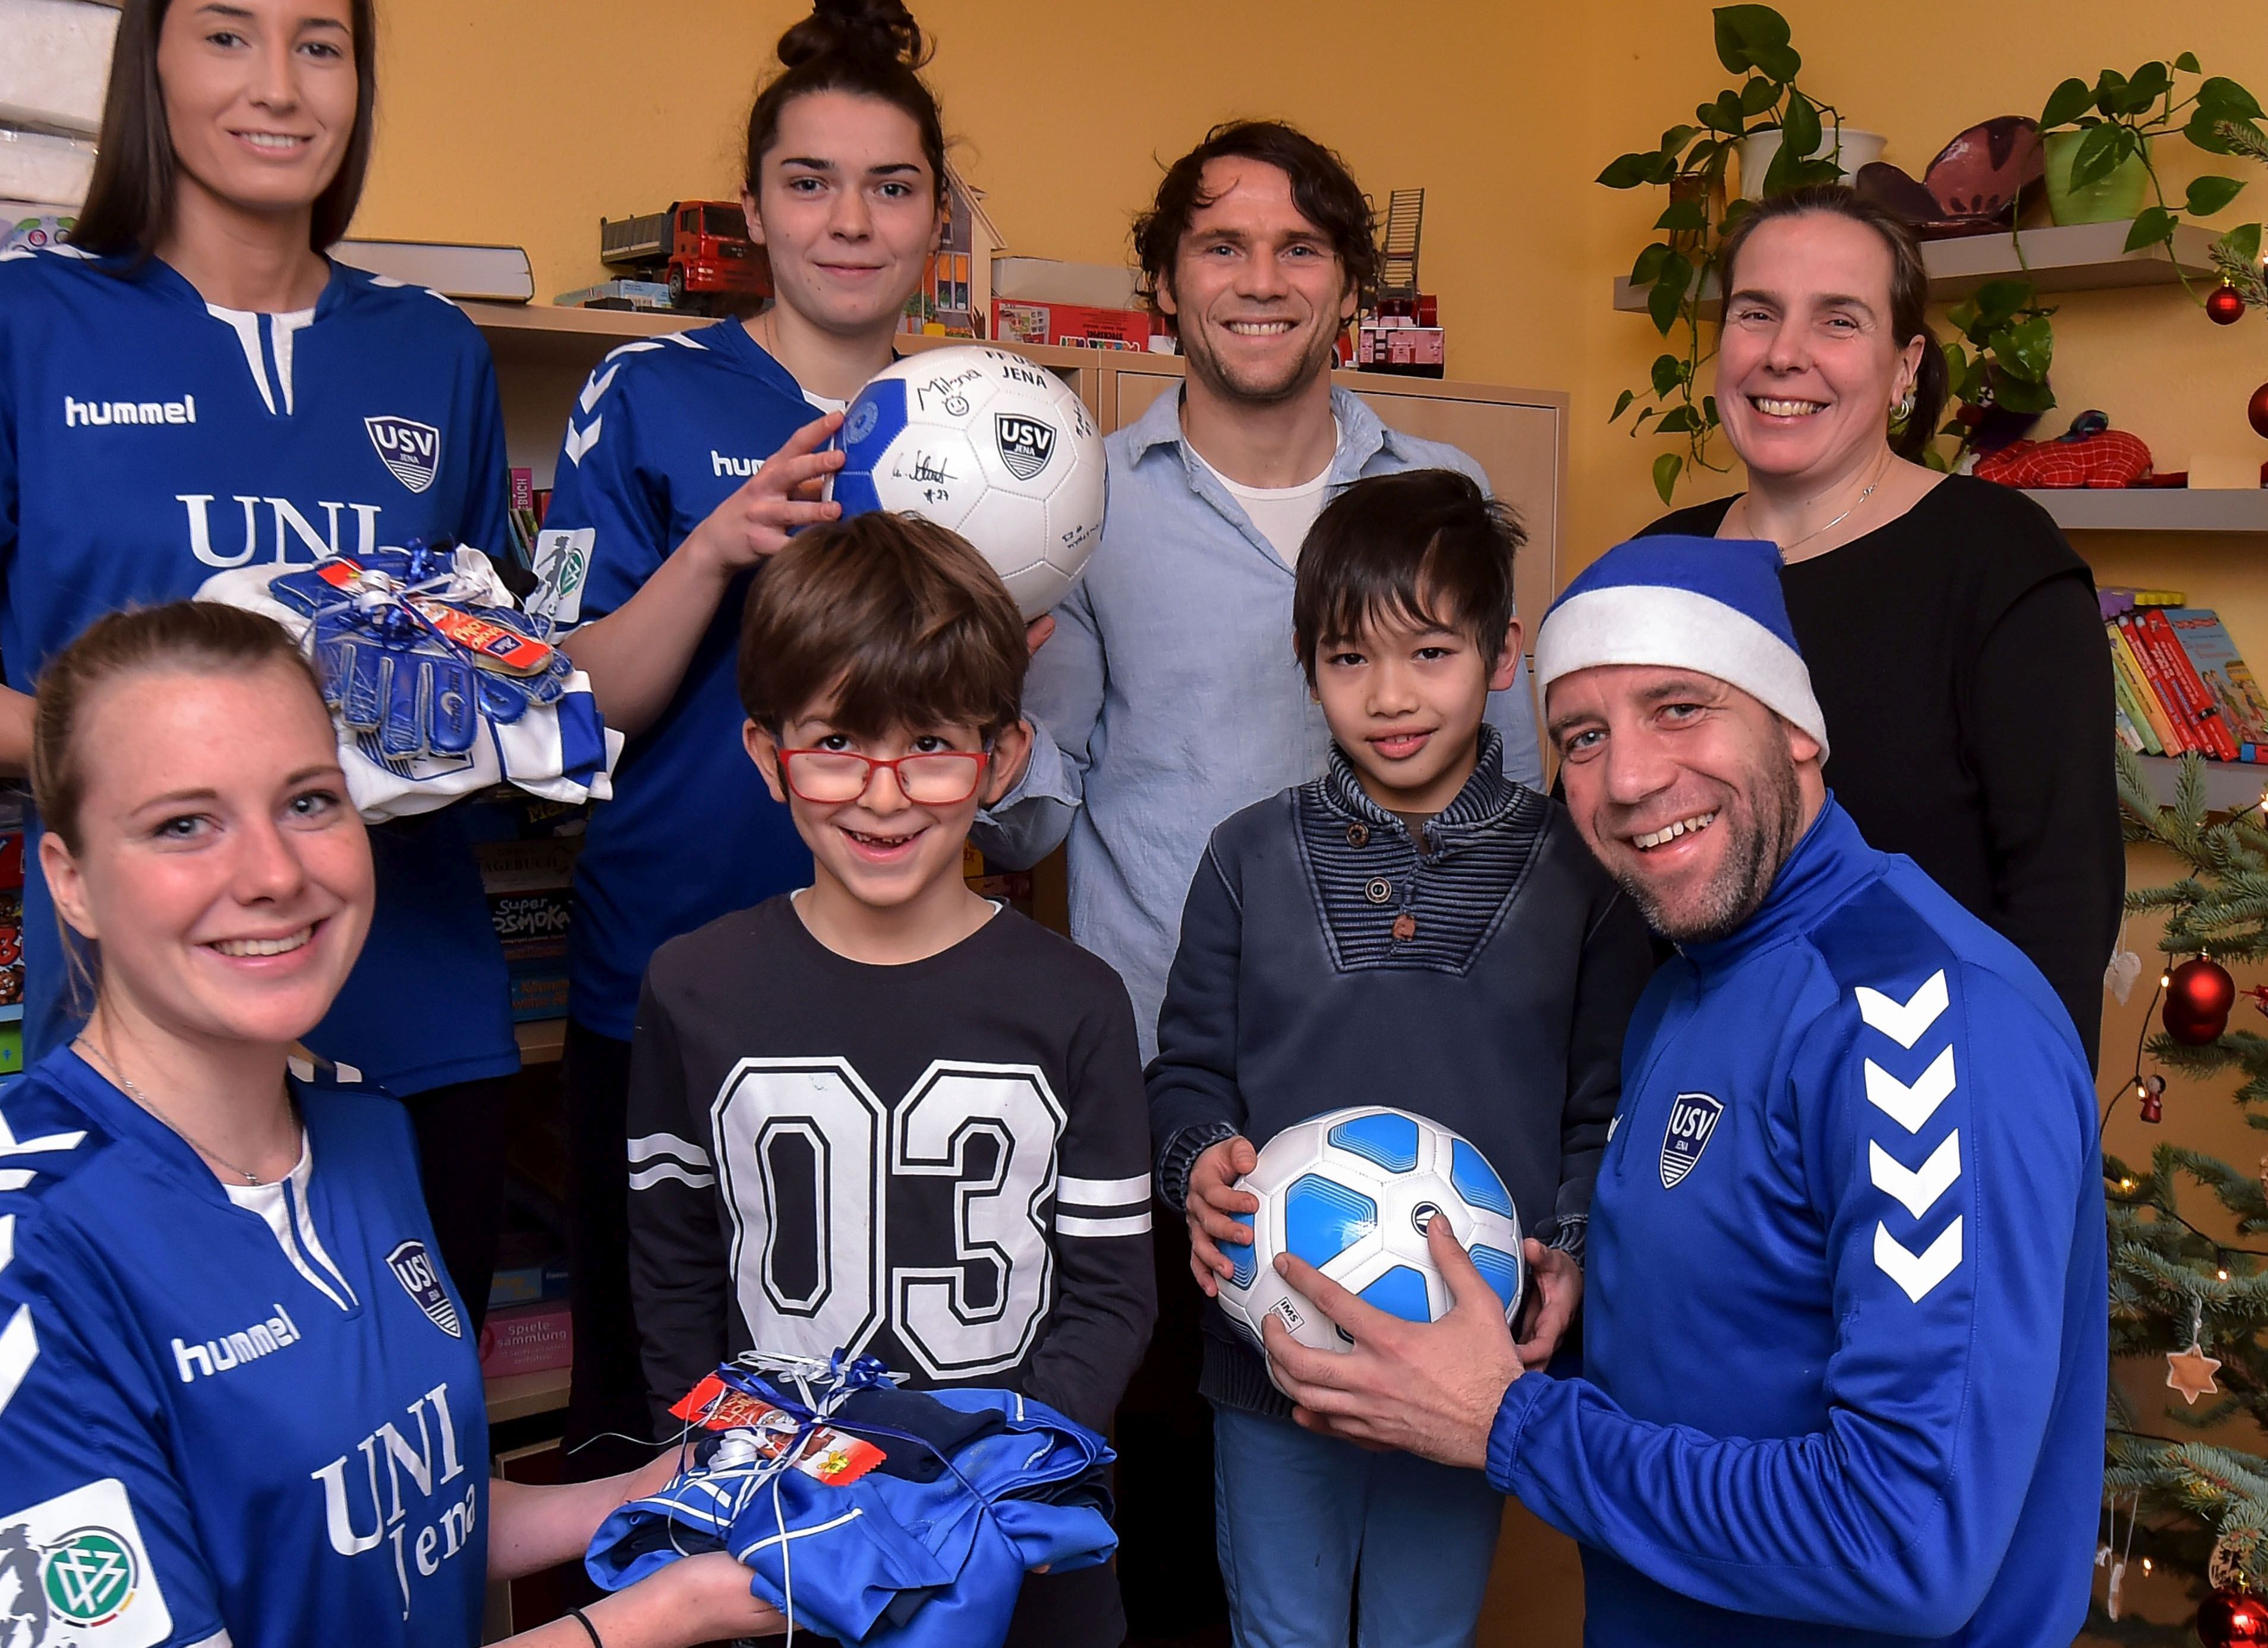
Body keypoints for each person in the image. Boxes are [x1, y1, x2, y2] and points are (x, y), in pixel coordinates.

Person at [0, 602, 786, 1648]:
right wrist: (664, 1618)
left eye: (308, 801)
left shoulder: (364, 1133)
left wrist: (658, 1492)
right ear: (72, 882)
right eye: (183, 824)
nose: (275, 876)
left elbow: (394, 1525)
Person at [1254, 537, 2106, 1647]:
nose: (1630, 781)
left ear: (1799, 729)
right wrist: (1572, 1302)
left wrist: (1507, 1424)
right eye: (1585, 738)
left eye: (1679, 708)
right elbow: (1748, 1318)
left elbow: (1910, 1536)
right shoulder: (1689, 985)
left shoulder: (1921, 1022)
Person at [0, 0, 519, 1327]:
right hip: (144, 1031)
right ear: (146, 64)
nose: (279, 86)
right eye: (226, 36)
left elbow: (495, 659)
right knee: (178, 1468)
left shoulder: (433, 346)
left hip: (423, 1004)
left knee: (423, 1454)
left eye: (320, 46)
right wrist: (186, 758)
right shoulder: (3, 324)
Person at [536, 0, 951, 1474]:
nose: (851, 222)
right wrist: (712, 550)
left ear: (936, 219)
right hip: (668, 975)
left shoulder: (979, 423)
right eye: (810, 181)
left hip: (905, 986)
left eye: (890, 187)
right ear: (756, 207)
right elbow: (570, 693)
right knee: (660, 1408)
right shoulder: (644, 392)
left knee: (881, 1411)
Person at [620, 511, 1157, 1648]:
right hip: (777, 1536)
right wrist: (732, 1469)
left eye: (930, 746)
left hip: (1015, 1545)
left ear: (1001, 757)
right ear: (769, 757)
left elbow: (1110, 1297)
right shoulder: (691, 988)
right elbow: (672, 1275)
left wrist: (970, 1496)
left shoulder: (1077, 1002)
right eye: (835, 744)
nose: (882, 793)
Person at [1146, 470, 1653, 1648]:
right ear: (1304, 662)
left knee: (1424, 1636)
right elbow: (1183, 1069)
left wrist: (1566, 1253)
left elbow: (1605, 1109)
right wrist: (1198, 1162)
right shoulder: (1245, 857)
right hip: (1269, 1361)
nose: (1388, 697)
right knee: (1281, 1632)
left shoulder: (1579, 873)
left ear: (1502, 652)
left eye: (1428, 653)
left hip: (1469, 1372)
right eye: (1345, 659)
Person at [976, 119, 1542, 1057]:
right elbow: (1030, 824)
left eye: (1302, 250)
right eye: (1223, 247)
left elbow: (1511, 789)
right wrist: (981, 736)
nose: (1263, 283)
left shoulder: (1448, 491)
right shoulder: (1087, 505)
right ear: (1165, 281)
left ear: (1351, 284)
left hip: (1418, 1043)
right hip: (1174, 1054)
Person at [1637, 185, 2119, 1064]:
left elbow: (2062, 895)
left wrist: (2023, 1143)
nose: (1785, 355)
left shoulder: (1999, 560)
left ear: (1905, 368)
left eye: (1839, 321)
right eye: (1757, 313)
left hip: (1919, 1110)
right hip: (1685, 1103)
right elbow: (1595, 872)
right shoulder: (1659, 563)